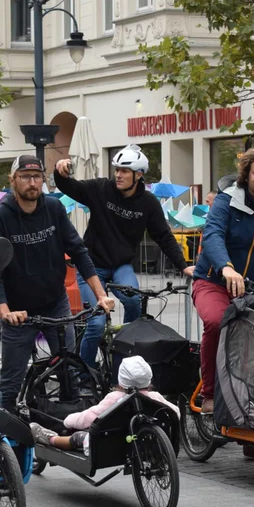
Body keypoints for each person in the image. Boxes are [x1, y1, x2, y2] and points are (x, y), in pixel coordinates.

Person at [0, 154, 115, 412]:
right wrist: (5, 312)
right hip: (19, 313)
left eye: (37, 177)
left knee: (69, 372)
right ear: (13, 180)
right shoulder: (0, 219)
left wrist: (100, 294)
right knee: (10, 384)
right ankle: (3, 440)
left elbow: (79, 252)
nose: (32, 182)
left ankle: (70, 429)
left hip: (55, 305)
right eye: (25, 177)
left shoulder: (54, 209)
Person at [54, 145, 194, 367]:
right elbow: (70, 187)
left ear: (138, 175)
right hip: (91, 267)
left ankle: (122, 357)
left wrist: (183, 266)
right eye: (117, 170)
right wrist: (59, 171)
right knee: (96, 324)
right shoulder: (101, 188)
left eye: (125, 171)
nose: (118, 175)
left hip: (120, 266)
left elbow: (164, 237)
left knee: (133, 302)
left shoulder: (148, 203)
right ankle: (82, 374)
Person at [192, 147, 254, 463]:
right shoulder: (227, 201)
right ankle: (209, 394)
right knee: (218, 321)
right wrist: (226, 267)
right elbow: (213, 235)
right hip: (214, 281)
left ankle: (252, 435)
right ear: (247, 175)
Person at [30, 355, 178, 455]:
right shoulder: (154, 397)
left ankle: (49, 439)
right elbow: (175, 413)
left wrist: (69, 421)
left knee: (77, 437)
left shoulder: (115, 398)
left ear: (121, 380)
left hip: (110, 447)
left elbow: (88, 417)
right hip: (143, 444)